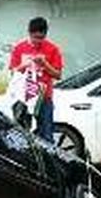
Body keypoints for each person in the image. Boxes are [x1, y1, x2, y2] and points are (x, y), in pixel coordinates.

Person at [8, 16, 64, 145]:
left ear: (45, 34)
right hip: (23, 96)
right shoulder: (19, 48)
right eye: (35, 38)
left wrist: (45, 64)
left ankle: (46, 162)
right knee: (21, 132)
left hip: (44, 97)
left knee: (46, 134)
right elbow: (12, 72)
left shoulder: (53, 49)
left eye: (41, 38)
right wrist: (23, 66)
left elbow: (58, 75)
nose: (38, 41)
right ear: (29, 33)